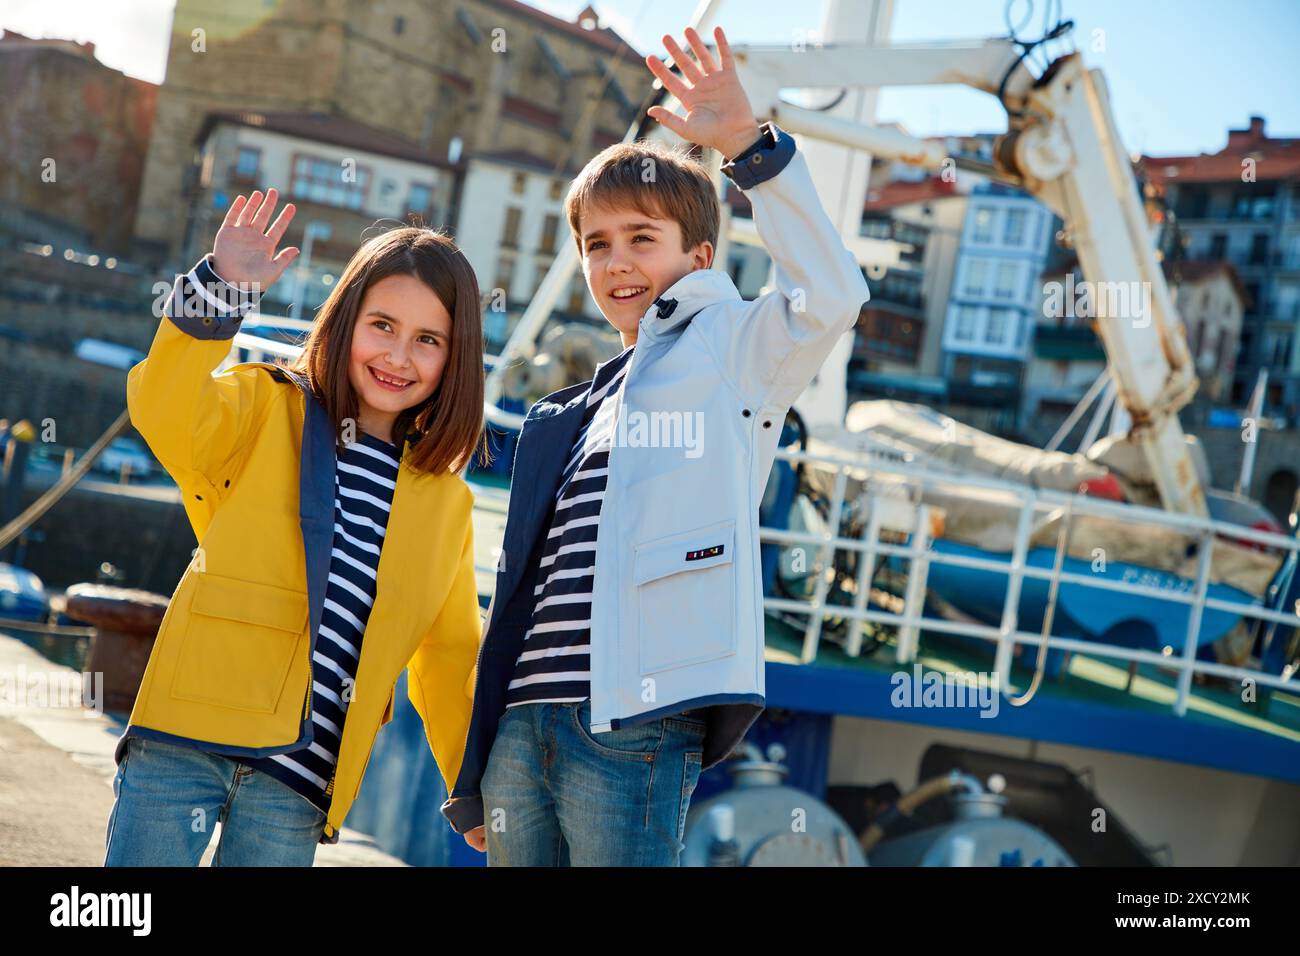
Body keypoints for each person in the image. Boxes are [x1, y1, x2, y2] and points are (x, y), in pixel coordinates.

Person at [445, 26, 871, 865]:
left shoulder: (736, 352)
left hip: (632, 720)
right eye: (596, 245)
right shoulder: (574, 409)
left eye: (642, 237)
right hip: (525, 726)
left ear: (700, 255)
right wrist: (478, 762)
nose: (616, 262)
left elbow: (831, 295)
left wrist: (749, 148)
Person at [104, 189, 486, 865]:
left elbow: (448, 658)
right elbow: (164, 409)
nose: (400, 356)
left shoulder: (444, 501)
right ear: (345, 321)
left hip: (302, 780)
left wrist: (471, 787)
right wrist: (218, 290)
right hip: (184, 737)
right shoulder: (264, 407)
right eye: (383, 326)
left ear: (455, 360)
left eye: (428, 340)